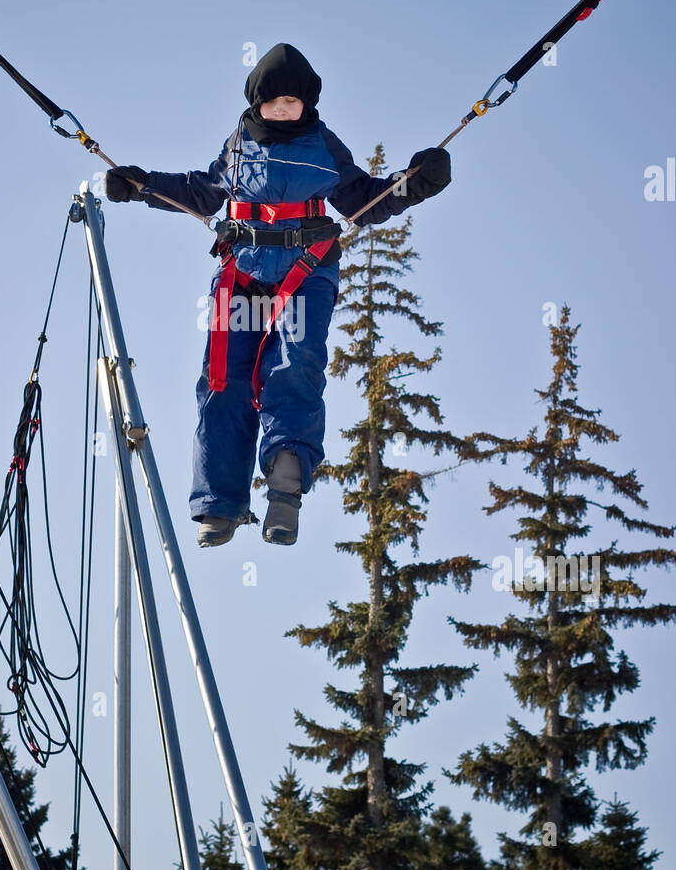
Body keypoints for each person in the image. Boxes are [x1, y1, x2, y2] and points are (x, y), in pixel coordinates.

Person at [105, 43, 451, 547]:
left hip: (305, 270)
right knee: (225, 380)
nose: (285, 110)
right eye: (275, 102)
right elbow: (200, 191)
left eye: (294, 101)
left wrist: (414, 185)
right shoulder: (240, 143)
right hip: (243, 270)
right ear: (256, 103)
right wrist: (140, 185)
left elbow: (362, 200)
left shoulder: (323, 144)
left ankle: (285, 486)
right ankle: (219, 505)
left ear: (307, 103)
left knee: (293, 368)